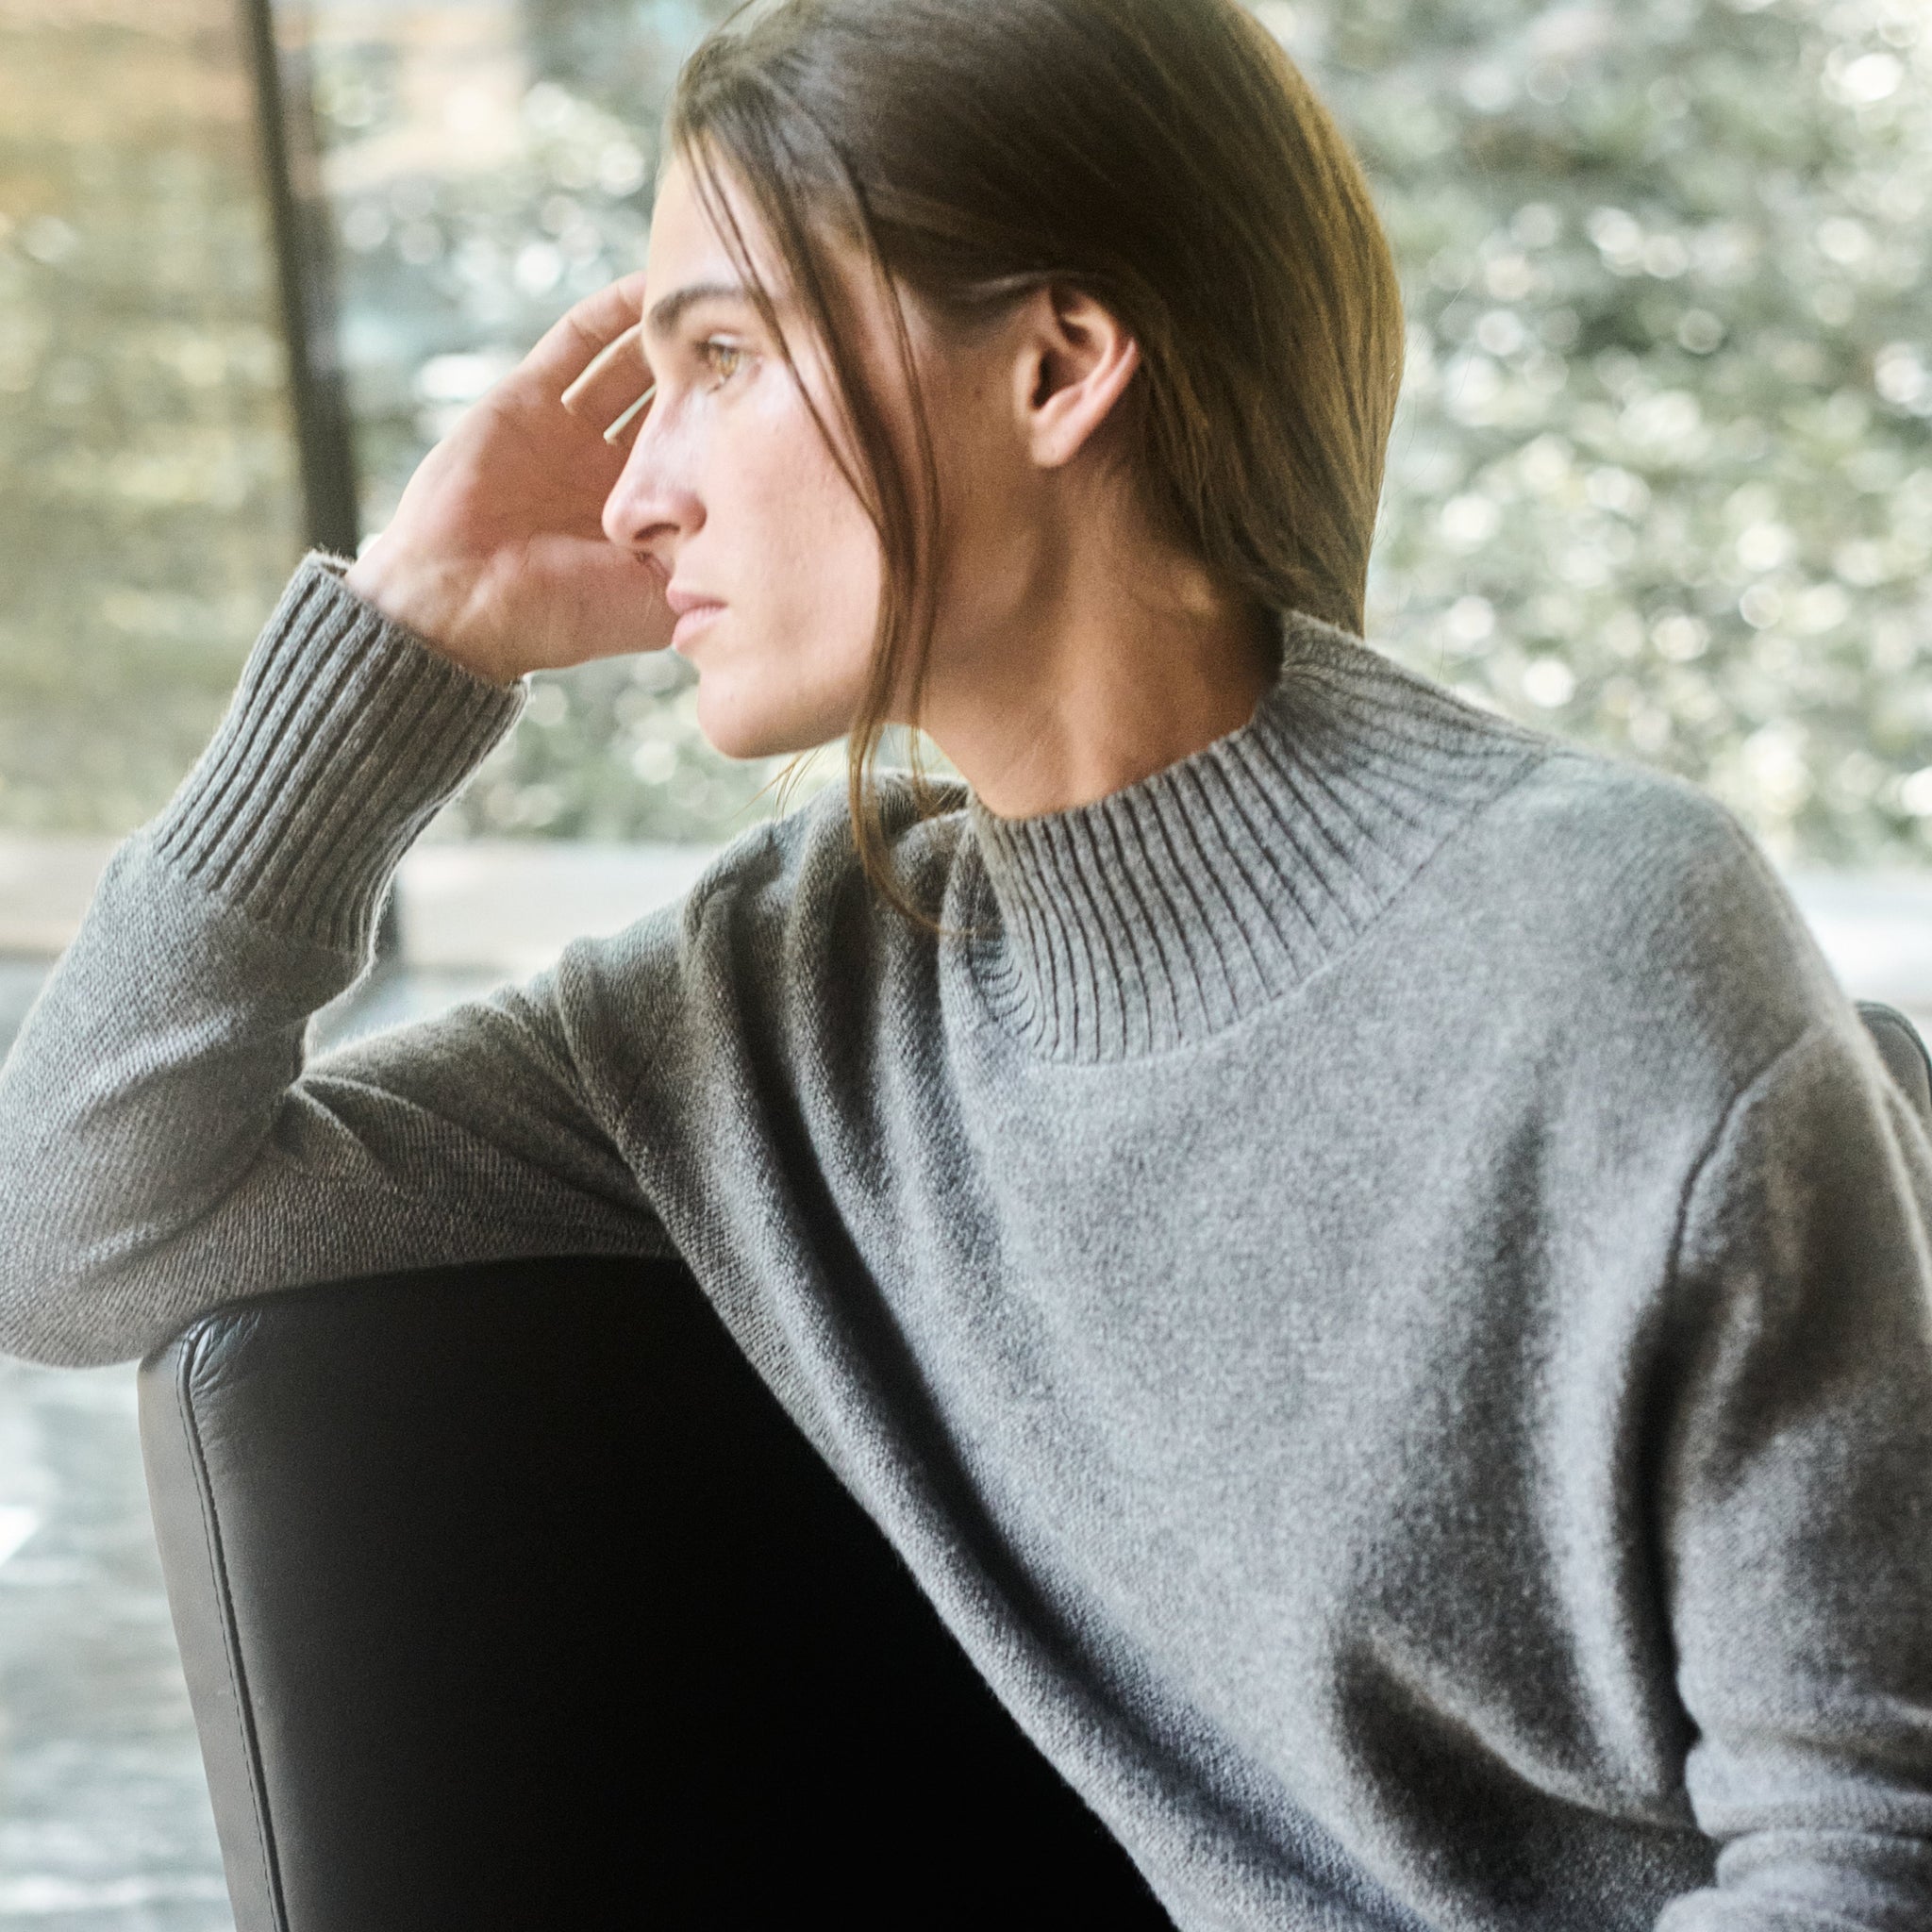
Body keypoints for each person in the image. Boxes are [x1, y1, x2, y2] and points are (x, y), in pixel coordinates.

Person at [4, 0, 1931, 1924]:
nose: (632, 491)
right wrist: (404, 645)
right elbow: (66, 1231)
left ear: (1058, 366)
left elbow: (1866, 1855)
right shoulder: (791, 994)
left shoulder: (1597, 940)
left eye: (724, 356)